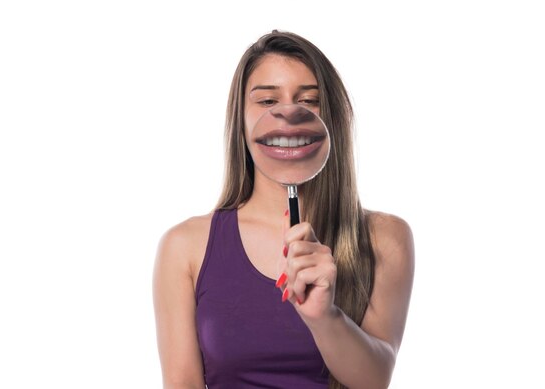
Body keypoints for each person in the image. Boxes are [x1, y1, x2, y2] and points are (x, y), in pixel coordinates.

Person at [153, 30, 415, 389]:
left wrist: (325, 317)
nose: (289, 116)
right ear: (240, 121)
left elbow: (376, 379)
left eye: (309, 100)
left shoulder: (385, 237)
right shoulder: (184, 246)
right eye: (266, 102)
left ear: (332, 119)